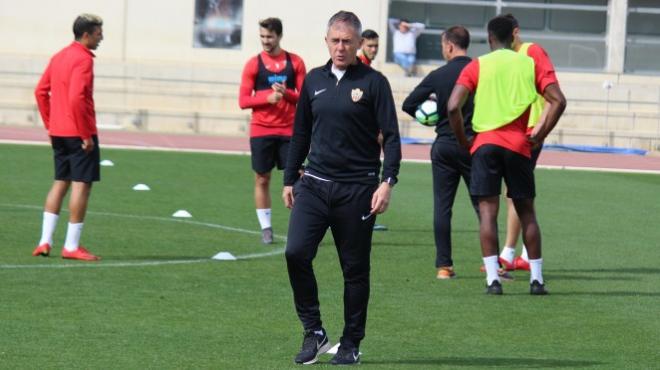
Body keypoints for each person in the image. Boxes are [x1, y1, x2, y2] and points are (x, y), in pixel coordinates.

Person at [282, 11, 401, 365]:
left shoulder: (374, 82)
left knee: (354, 270)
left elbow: (392, 137)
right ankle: (314, 331)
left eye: (348, 41)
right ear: (326, 41)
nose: (341, 47)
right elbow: (301, 132)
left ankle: (351, 342)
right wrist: (290, 178)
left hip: (357, 190)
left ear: (358, 43)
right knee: (295, 253)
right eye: (335, 40)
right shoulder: (314, 80)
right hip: (314, 186)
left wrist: (387, 181)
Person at [447, 15, 566, 295]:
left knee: (488, 213)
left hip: (485, 144)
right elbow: (558, 100)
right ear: (514, 38)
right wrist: (540, 135)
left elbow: (453, 106)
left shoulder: (479, 64)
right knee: (527, 213)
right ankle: (537, 281)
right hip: (518, 144)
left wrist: (464, 141)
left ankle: (493, 281)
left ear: (489, 39)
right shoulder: (528, 62)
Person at [402, 26, 480, 280]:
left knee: (443, 207)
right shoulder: (480, 70)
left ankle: (444, 266)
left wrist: (430, 119)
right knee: (483, 206)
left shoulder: (440, 74)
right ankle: (492, 263)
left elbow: (409, 104)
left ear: (448, 46)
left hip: (444, 146)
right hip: (473, 145)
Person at [32, 14, 104, 261]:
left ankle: (44, 242)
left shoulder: (59, 56)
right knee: (82, 185)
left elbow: (41, 92)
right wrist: (85, 135)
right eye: (98, 33)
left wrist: (50, 126)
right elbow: (76, 98)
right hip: (78, 132)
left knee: (60, 181)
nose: (101, 37)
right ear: (86, 35)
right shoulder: (83, 59)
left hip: (59, 132)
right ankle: (71, 246)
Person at [499, 13, 560, 272]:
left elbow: (553, 94)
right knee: (517, 193)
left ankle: (508, 253)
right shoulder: (507, 58)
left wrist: (541, 130)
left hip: (529, 134)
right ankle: (521, 253)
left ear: (515, 32)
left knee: (515, 193)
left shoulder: (532, 51)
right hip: (513, 132)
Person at [238, 17, 306, 244]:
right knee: (262, 179)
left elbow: (304, 98)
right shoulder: (253, 64)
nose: (265, 41)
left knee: (298, 178)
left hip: (289, 130)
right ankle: (266, 228)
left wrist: (286, 94)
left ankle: (301, 227)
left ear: (279, 36)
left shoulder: (294, 62)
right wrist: (267, 98)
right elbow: (243, 100)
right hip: (261, 130)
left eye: (269, 36)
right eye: (262, 37)